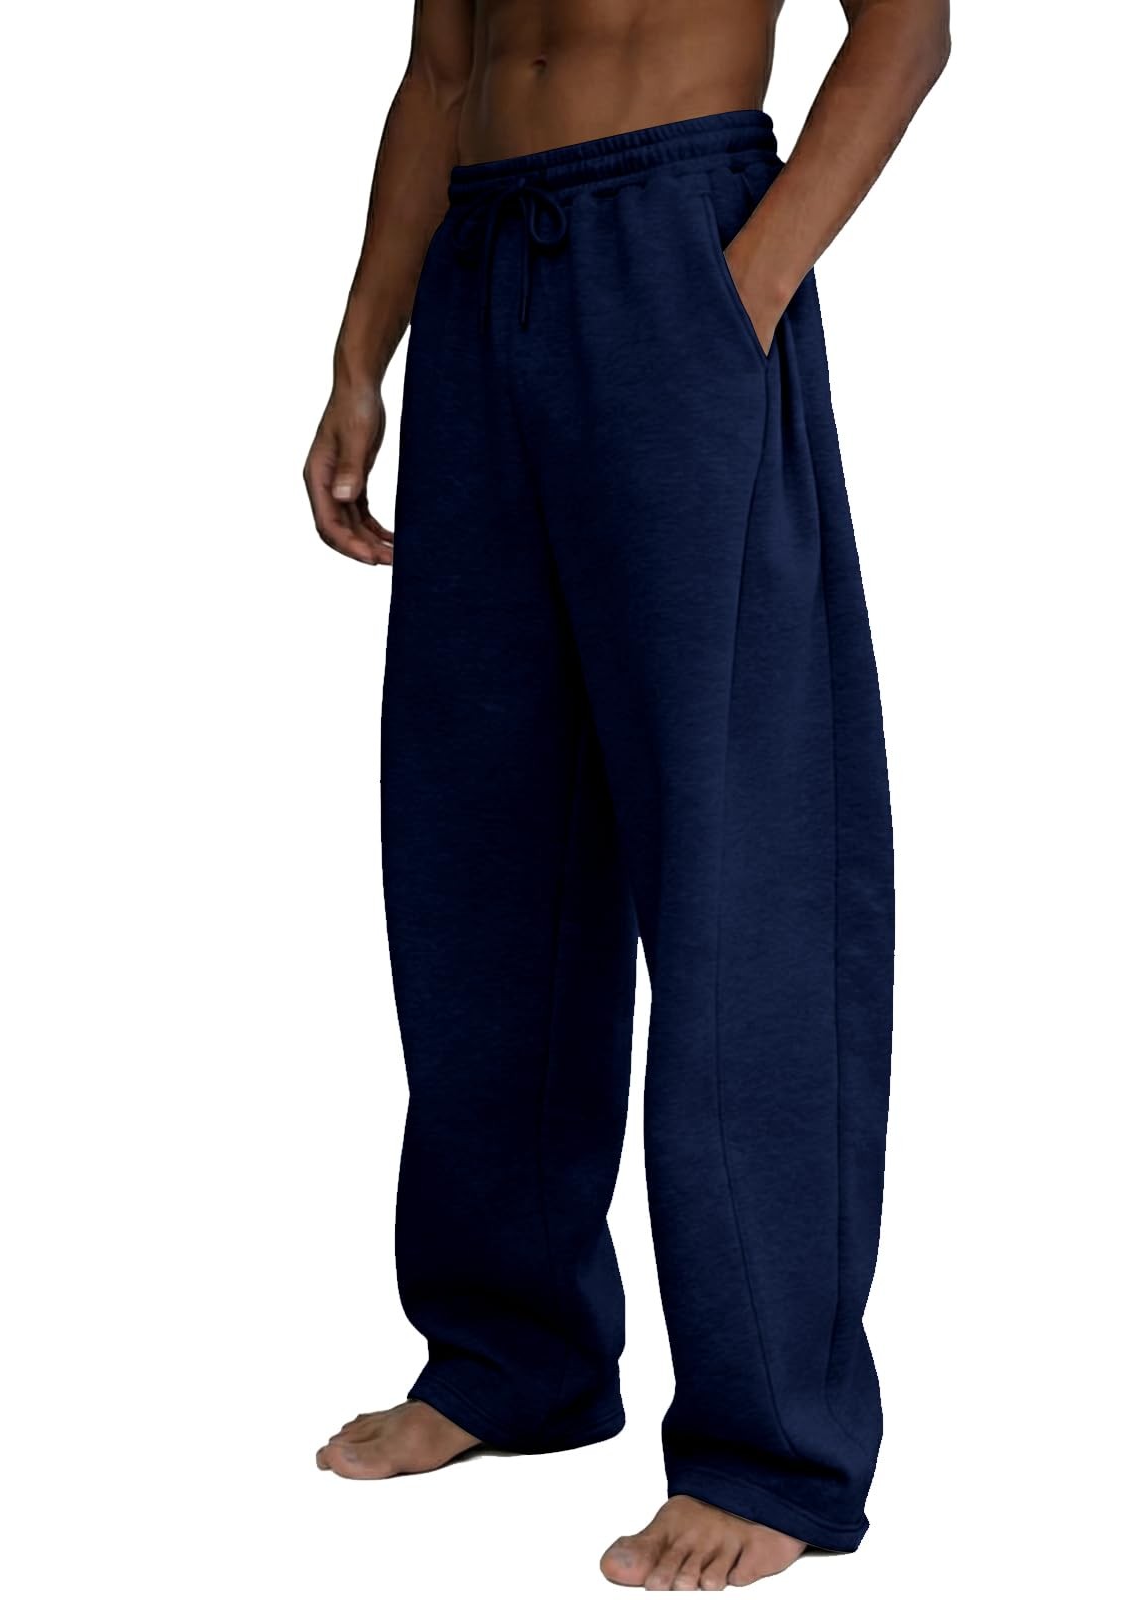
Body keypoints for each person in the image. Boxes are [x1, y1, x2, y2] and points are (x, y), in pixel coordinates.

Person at [304, 1, 949, 1588]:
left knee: (742, 863)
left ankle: (770, 1446)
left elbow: (907, 29)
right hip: (481, 269)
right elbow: (442, 68)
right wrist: (362, 352)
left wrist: (746, 283)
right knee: (481, 852)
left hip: (681, 242)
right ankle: (511, 1355)